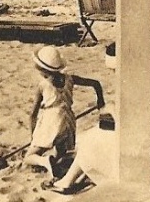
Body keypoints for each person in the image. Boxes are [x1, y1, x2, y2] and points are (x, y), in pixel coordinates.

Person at [22, 46, 105, 176]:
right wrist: (100, 100)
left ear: (43, 70)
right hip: (68, 121)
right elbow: (95, 83)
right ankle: (53, 163)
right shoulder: (69, 79)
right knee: (61, 153)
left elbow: (33, 114)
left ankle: (44, 161)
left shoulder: (42, 85)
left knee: (29, 157)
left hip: (52, 121)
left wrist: (34, 137)